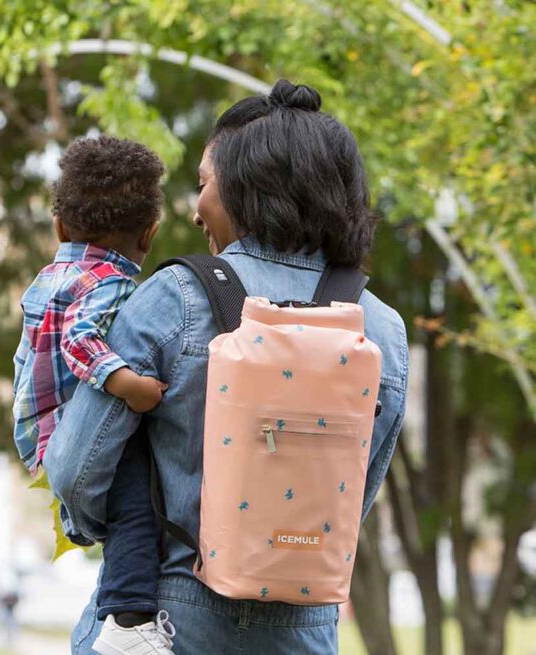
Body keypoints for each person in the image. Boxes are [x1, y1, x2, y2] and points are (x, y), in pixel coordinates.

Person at [45, 80, 409, 654]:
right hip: (304, 630)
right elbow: (353, 494)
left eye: (205, 186)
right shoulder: (380, 326)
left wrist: (110, 529)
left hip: (165, 619)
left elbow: (75, 467)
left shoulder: (175, 296)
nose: (195, 211)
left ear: (247, 189)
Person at [12, 136, 175, 654]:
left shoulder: (49, 278)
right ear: (148, 235)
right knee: (135, 508)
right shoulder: (108, 279)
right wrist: (131, 387)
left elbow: (25, 358)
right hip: (69, 430)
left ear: (60, 227)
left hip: (40, 428)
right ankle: (130, 622)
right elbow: (80, 341)